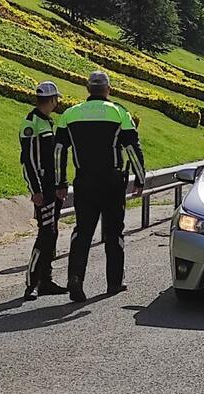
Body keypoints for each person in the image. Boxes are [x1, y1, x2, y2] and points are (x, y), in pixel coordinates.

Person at [55, 71, 145, 302]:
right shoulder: (118, 112)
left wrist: (60, 181)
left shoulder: (70, 114)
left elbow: (58, 152)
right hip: (112, 181)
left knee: (82, 231)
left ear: (88, 89)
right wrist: (140, 178)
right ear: (108, 89)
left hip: (84, 181)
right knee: (114, 232)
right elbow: (133, 149)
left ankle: (75, 277)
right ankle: (114, 282)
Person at [19, 81, 68, 301]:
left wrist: (61, 183)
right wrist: (36, 190)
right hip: (43, 189)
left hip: (52, 187)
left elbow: (54, 159)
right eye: (56, 99)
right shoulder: (31, 123)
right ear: (50, 100)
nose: (57, 102)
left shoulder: (47, 121)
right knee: (45, 233)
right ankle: (32, 282)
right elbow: (28, 161)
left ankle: (46, 280)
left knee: (52, 232)